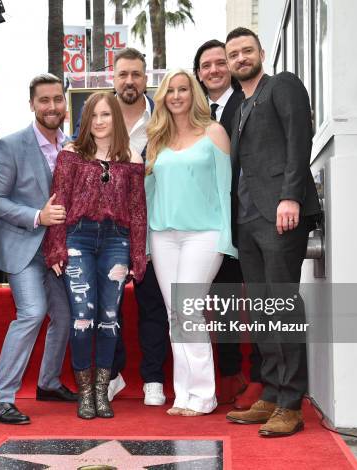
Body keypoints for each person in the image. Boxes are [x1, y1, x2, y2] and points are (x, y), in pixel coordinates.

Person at [223, 27, 321, 437]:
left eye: (247, 51)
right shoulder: (240, 105)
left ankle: (291, 403)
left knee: (282, 306)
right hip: (246, 220)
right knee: (260, 310)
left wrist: (291, 197)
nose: (241, 58)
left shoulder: (283, 85)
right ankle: (274, 392)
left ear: (262, 52)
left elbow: (300, 140)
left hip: (280, 213)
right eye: (234, 54)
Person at [44, 91, 146, 419]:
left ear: (116, 118)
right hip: (78, 239)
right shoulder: (70, 154)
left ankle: (103, 391)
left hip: (117, 242)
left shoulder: (132, 158)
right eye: (94, 116)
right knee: (82, 318)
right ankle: (84, 392)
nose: (100, 122)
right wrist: (56, 247)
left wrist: (138, 255)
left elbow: (138, 211)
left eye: (106, 115)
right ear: (85, 120)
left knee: (110, 318)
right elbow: (58, 203)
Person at [74, 47, 168, 406]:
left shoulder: (163, 120)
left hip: (152, 224)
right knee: (106, 305)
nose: (130, 81)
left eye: (137, 75)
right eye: (123, 74)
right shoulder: (95, 118)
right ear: (113, 79)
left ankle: (154, 379)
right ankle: (112, 375)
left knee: (152, 303)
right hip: (105, 229)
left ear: (146, 79)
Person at [0, 73, 76, 426]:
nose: (52, 106)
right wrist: (37, 216)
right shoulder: (10, 146)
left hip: (59, 252)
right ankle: (0, 398)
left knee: (65, 316)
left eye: (57, 99)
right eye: (44, 100)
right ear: (32, 105)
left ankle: (48, 382)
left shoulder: (72, 146)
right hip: (23, 246)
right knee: (33, 312)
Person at [145, 69, 236, 416]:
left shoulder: (214, 133)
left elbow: (225, 190)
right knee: (175, 314)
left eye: (184, 89)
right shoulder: (158, 140)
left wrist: (226, 238)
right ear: (164, 97)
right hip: (164, 235)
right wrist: (149, 245)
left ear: (193, 93)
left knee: (188, 310)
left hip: (205, 233)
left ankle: (203, 394)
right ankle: (184, 394)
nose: (177, 95)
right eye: (171, 90)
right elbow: (150, 194)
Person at [193, 39, 263, 409]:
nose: (215, 69)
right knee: (222, 301)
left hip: (249, 218)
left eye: (221, 62)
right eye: (206, 65)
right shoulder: (194, 111)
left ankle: (258, 377)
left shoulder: (247, 102)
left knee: (256, 299)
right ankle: (230, 373)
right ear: (198, 73)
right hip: (211, 223)